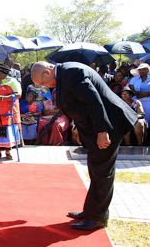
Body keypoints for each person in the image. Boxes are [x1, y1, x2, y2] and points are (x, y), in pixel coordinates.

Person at [31, 61, 137, 231]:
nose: (46, 86)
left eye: (43, 82)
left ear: (47, 72)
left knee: (102, 172)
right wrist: (80, 130)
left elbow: (93, 102)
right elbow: (80, 106)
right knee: (95, 169)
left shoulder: (72, 72)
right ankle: (91, 211)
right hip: (97, 128)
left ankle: (97, 217)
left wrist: (102, 131)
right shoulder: (66, 74)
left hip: (109, 126)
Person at [0, 62, 21, 160]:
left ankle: (8, 152)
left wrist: (4, 98)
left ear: (2, 73)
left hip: (7, 111)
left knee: (7, 130)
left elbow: (18, 95)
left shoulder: (12, 81)